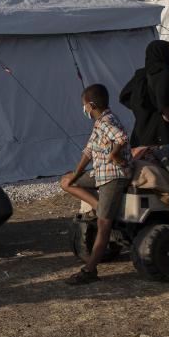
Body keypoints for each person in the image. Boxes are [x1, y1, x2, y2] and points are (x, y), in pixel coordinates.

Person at [60, 84, 133, 285]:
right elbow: (88, 151)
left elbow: (121, 137)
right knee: (66, 181)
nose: (84, 110)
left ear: (91, 105)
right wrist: (75, 175)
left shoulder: (106, 122)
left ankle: (90, 270)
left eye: (85, 106)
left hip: (112, 175)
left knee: (103, 224)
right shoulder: (100, 122)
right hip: (100, 172)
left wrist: (114, 154)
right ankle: (97, 205)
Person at [124, 40, 169, 147]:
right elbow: (163, 99)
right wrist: (168, 114)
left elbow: (125, 96)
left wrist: (145, 109)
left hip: (141, 132)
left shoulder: (140, 75)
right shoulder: (163, 72)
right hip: (163, 134)